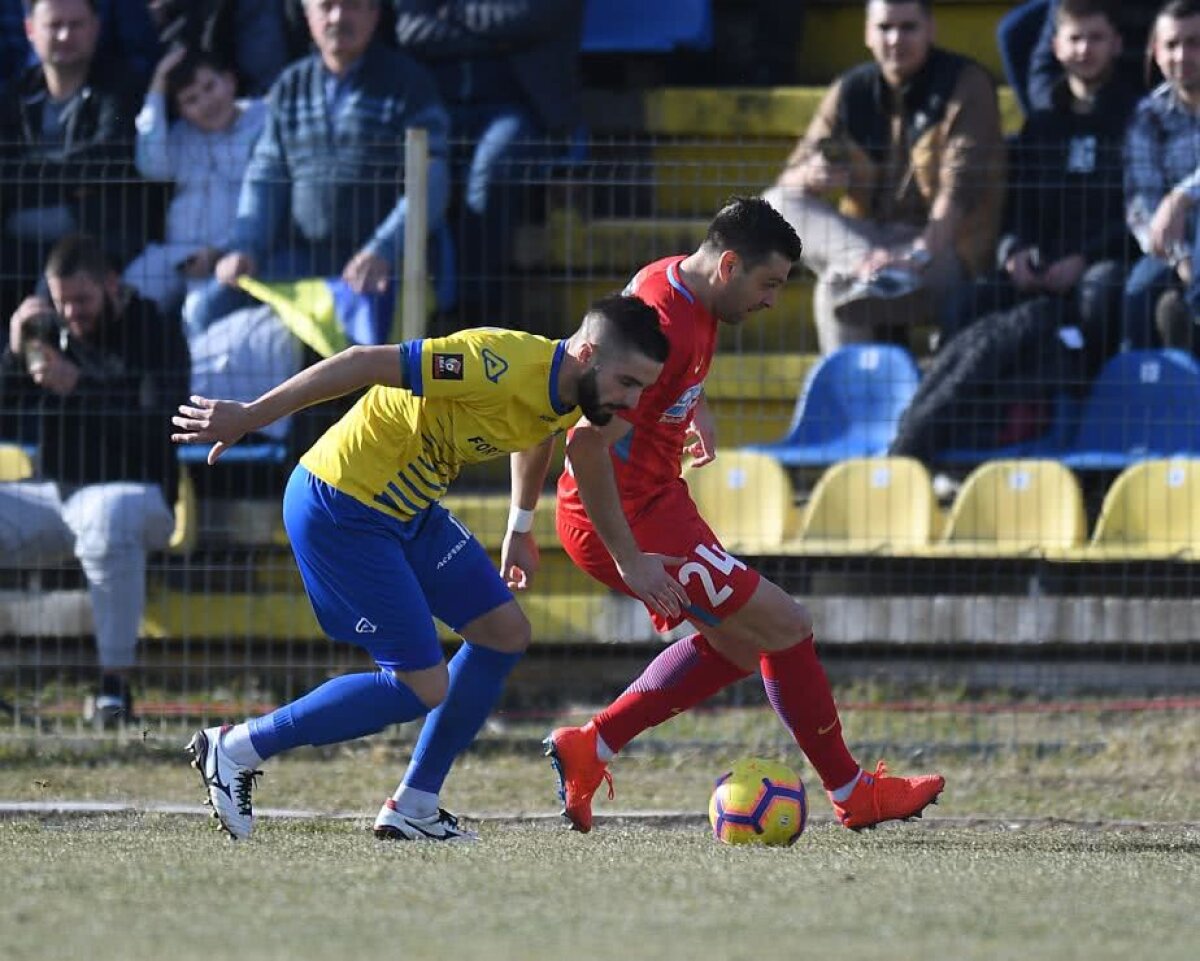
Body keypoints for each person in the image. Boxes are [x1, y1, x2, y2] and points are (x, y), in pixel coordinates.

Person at [171, 295, 669, 841]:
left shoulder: (577, 392)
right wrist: (250, 416)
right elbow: (362, 362)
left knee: (503, 633)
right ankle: (236, 747)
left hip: (408, 510)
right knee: (422, 686)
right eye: (627, 382)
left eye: (641, 388)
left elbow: (538, 431)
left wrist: (520, 525)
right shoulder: (494, 362)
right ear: (588, 353)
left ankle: (415, 804)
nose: (632, 400)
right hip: (343, 505)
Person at [534, 197, 945, 834]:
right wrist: (628, 558)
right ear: (728, 265)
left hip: (659, 501)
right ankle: (852, 793)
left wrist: (689, 404)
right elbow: (585, 442)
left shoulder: (680, 284)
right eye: (768, 284)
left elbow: (655, 381)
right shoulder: (667, 316)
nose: (773, 300)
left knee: (741, 644)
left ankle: (591, 746)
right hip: (626, 518)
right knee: (786, 624)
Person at [0, 234, 190, 725]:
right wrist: (14, 349)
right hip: (56, 494)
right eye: (61, 302)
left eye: (82, 300)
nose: (72, 313)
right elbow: (10, 405)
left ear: (111, 283)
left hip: (140, 491)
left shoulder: (155, 329)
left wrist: (79, 386)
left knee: (108, 515)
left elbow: (161, 425)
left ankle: (113, 689)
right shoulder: (49, 332)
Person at [182, 0, 451, 339]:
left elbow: (431, 179)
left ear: (374, 13)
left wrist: (383, 249)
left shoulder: (409, 83)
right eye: (326, 6)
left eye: (351, 6)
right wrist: (245, 248)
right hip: (302, 259)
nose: (337, 17)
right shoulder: (290, 86)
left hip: (389, 264)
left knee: (363, 346)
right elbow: (266, 177)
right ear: (308, 15)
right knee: (207, 310)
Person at [762, 0, 1005, 354]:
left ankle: (875, 275)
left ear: (931, 30)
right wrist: (811, 175)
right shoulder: (851, 90)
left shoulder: (966, 83)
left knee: (834, 285)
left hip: (944, 250)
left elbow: (961, 186)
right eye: (885, 28)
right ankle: (867, 269)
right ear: (867, 34)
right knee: (776, 203)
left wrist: (917, 256)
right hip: (867, 245)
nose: (895, 39)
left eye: (908, 28)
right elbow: (790, 178)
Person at [947, 0, 1138, 361]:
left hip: (1103, 263)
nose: (1084, 49)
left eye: (1096, 38)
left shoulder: (1136, 118)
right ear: (1056, 47)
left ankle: (1089, 392)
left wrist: (1084, 259)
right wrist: (1014, 252)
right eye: (1075, 39)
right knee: (971, 301)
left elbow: (1138, 216)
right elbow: (1017, 202)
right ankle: (961, 394)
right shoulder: (1041, 123)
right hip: (1041, 264)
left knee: (1101, 289)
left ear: (1116, 44)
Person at [390, 1, 586, 325]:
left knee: (490, 174)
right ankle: (425, 310)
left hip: (518, 107)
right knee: (417, 173)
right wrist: (496, 36)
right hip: (436, 106)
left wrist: (451, 12)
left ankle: (473, 314)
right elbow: (410, 30)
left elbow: (529, 17)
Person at [0, 0, 144, 319]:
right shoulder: (16, 95)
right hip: (15, 246)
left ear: (96, 28)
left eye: (76, 25)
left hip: (93, 244)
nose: (65, 35)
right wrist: (71, 183)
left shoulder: (121, 90)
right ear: (30, 30)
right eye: (55, 25)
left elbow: (108, 158)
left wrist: (25, 178)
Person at [123, 46, 268, 314]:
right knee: (126, 296)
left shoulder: (264, 120)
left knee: (195, 313)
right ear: (181, 111)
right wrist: (157, 85)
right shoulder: (180, 136)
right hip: (178, 254)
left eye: (210, 87)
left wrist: (219, 253)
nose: (206, 103)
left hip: (232, 255)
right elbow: (150, 166)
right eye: (191, 100)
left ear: (230, 81)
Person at [1123, 0, 1200, 352]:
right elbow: (1142, 203)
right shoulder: (1147, 116)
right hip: (1174, 250)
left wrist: (1180, 198)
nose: (1182, 56)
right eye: (1172, 45)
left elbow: (1169, 204)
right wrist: (1182, 258)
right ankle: (1141, 383)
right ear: (1155, 52)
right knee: (1138, 291)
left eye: (1194, 43)